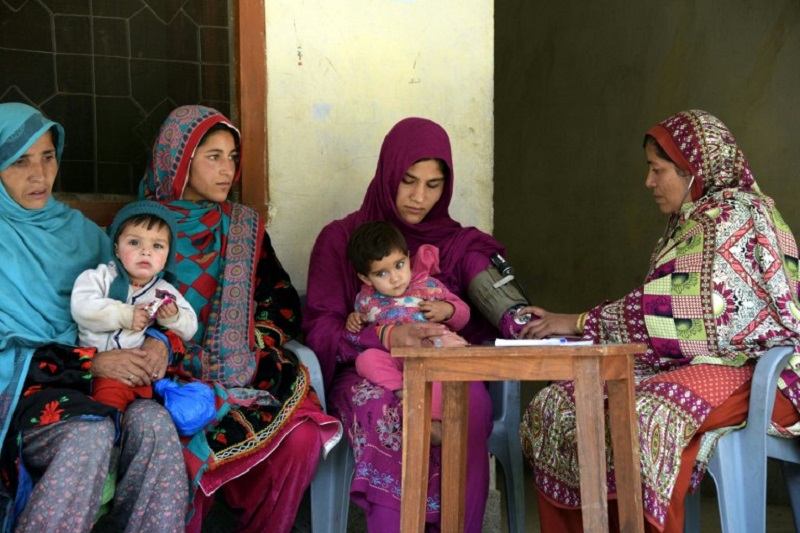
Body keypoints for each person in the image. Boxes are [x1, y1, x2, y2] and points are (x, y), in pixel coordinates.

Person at [517, 109, 800, 533]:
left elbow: (675, 314)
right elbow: (667, 315)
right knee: (563, 404)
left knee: (645, 416)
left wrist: (577, 322)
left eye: (657, 169)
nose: (649, 182)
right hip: (697, 365)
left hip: (759, 373)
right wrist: (578, 322)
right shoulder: (690, 223)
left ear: (693, 169)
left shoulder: (733, 217)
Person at [304, 117, 528, 532]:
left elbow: (495, 298)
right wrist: (385, 335)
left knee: (471, 402)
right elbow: (321, 328)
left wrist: (526, 322)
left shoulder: (459, 243)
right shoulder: (342, 240)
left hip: (441, 366)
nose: (418, 196)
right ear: (388, 171)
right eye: (408, 180)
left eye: (433, 184)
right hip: (369, 372)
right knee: (393, 411)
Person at [140, 105, 342, 533]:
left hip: (246, 369)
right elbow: (124, 304)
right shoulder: (141, 228)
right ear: (179, 159)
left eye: (233, 157)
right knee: (173, 442)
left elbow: (282, 302)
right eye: (213, 156)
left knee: (302, 437)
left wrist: (250, 342)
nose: (227, 169)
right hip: (168, 374)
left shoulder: (245, 227)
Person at [0, 102, 187, 531]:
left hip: (110, 383)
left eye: (48, 157)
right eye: (19, 162)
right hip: (28, 393)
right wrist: (91, 361)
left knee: (155, 425)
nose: (39, 175)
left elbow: (142, 295)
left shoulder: (82, 233)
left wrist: (160, 342)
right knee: (88, 433)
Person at [347, 220, 469, 444]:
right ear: (365, 278)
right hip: (397, 359)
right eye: (382, 273)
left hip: (434, 350)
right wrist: (355, 319)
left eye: (399, 265)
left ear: (408, 257)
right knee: (366, 359)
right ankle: (406, 394)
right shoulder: (366, 299)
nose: (395, 278)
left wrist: (447, 310)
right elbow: (363, 331)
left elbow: (463, 314)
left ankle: (433, 422)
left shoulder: (427, 285)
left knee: (449, 365)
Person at [71, 200, 198, 412]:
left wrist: (173, 317)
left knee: (160, 411)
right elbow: (82, 307)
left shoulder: (164, 290)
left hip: (144, 377)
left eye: (157, 246)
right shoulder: (100, 277)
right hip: (108, 375)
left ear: (167, 256)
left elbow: (190, 326)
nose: (146, 252)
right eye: (134, 243)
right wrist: (124, 315)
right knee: (107, 410)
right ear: (116, 249)